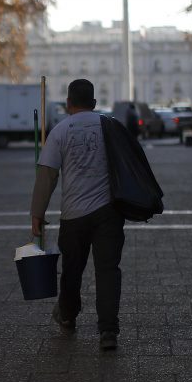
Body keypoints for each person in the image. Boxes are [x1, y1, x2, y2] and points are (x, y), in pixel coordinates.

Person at [30, 79, 125, 351]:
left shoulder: (60, 131)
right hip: (108, 212)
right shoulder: (110, 126)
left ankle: (68, 316)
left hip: (73, 215)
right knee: (108, 270)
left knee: (72, 270)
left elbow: (47, 176)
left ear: (68, 104)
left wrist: (37, 214)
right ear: (94, 103)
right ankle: (108, 331)